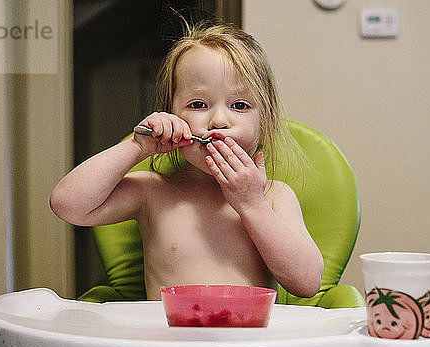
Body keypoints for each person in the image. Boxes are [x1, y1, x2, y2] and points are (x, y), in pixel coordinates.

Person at [50, 23, 323, 300]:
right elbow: (67, 205)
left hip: (245, 342)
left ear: (265, 121)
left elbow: (307, 283)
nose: (218, 121)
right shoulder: (153, 192)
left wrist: (252, 204)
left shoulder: (272, 196)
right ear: (172, 116)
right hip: (170, 342)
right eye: (198, 105)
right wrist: (137, 147)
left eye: (239, 105)